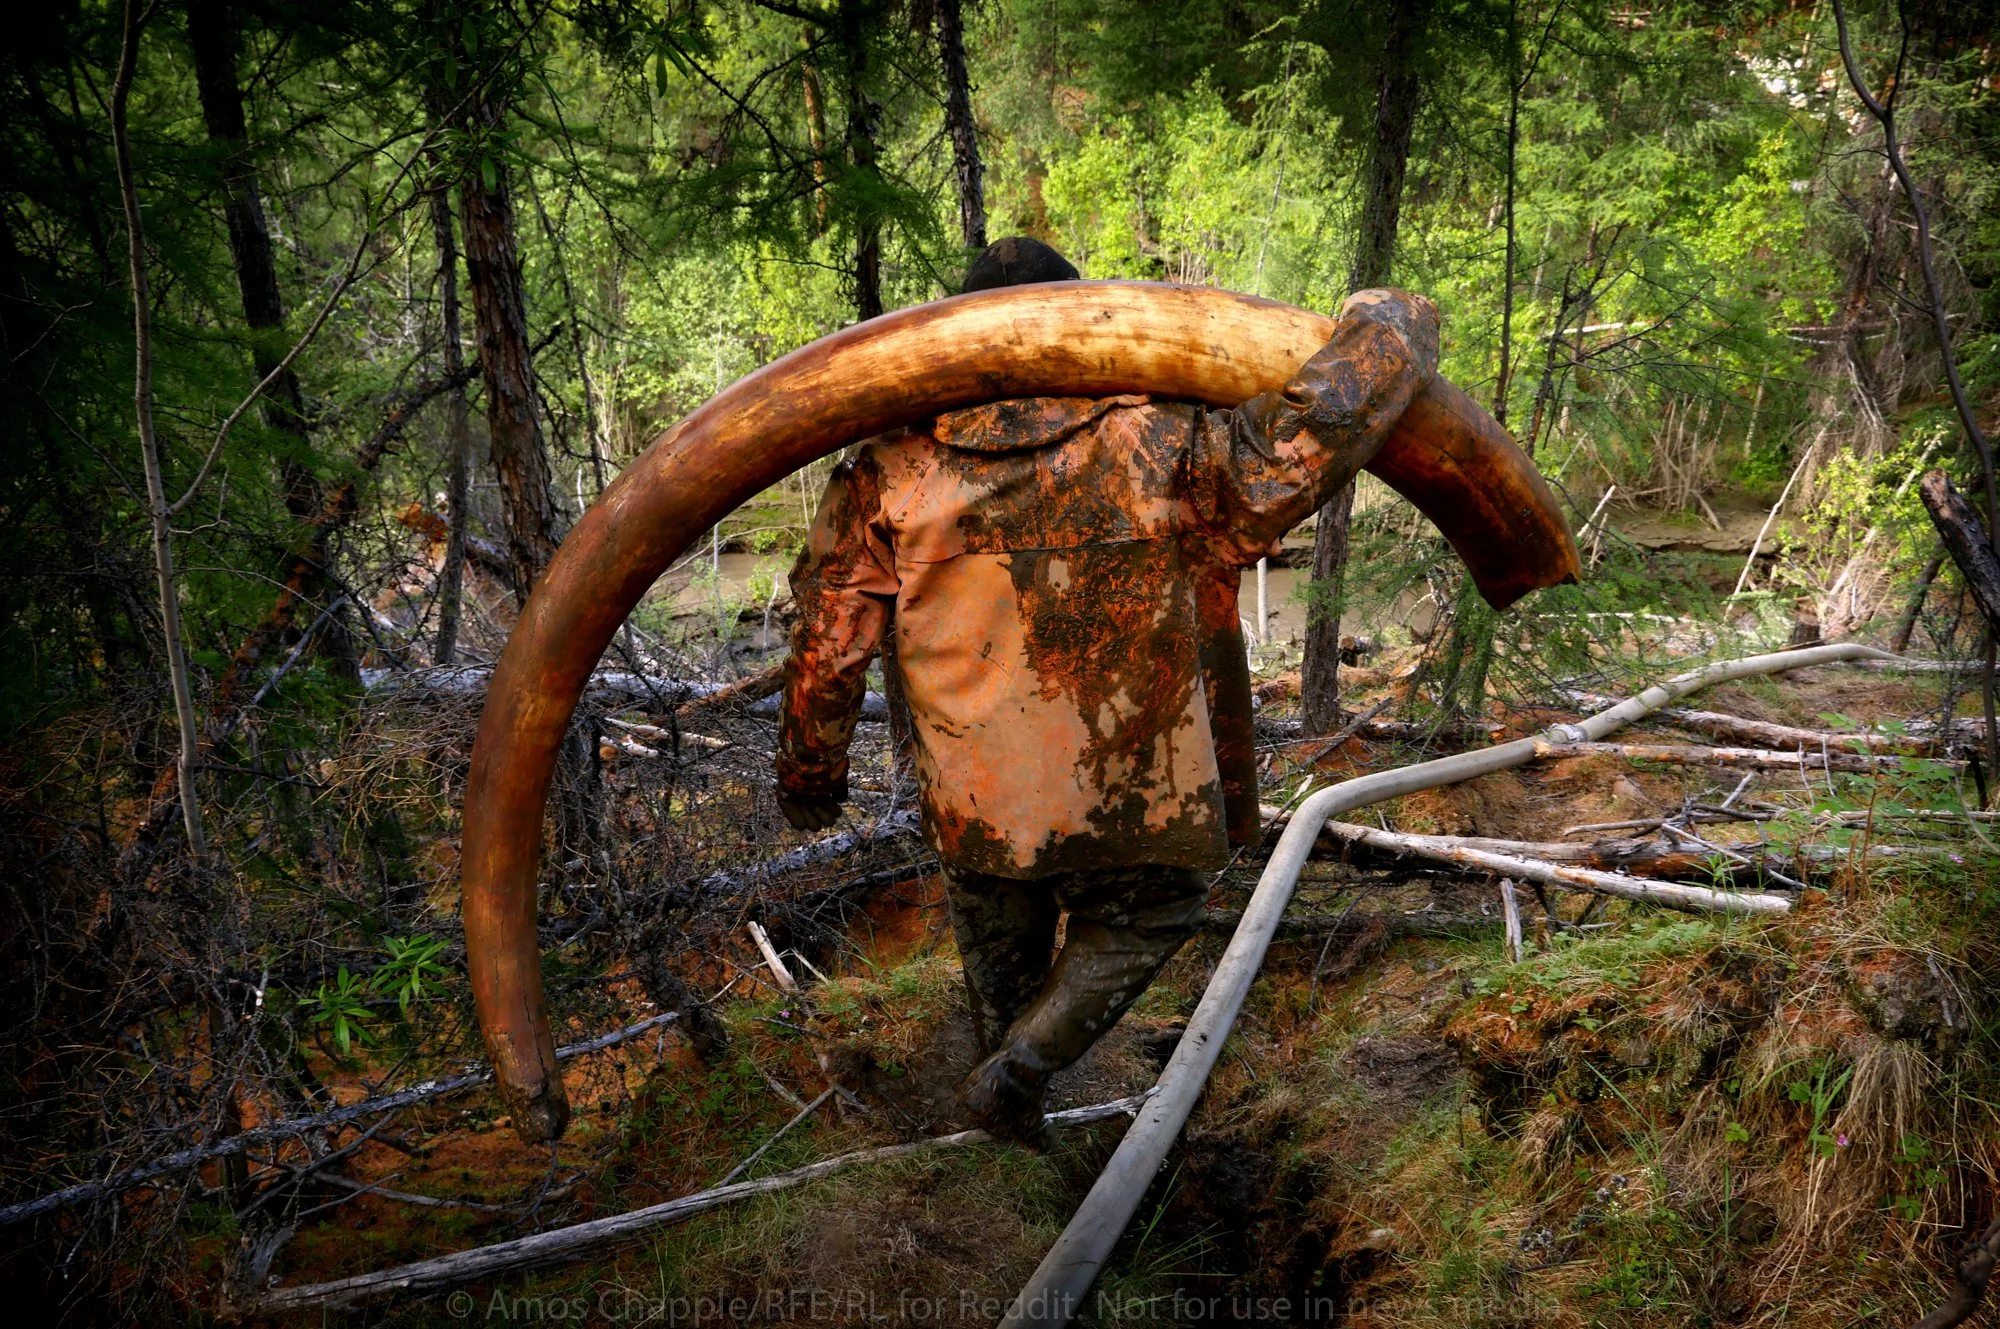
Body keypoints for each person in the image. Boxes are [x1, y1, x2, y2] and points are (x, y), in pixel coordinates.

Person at [775, 237, 1439, 1143]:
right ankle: (1018, 1077)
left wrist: (810, 773)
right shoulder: (1162, 438)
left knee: (997, 955)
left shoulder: (890, 470)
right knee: (1151, 911)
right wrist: (1391, 331)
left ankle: (1005, 1112)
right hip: (1135, 786)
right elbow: (1308, 435)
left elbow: (829, 639)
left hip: (978, 800)